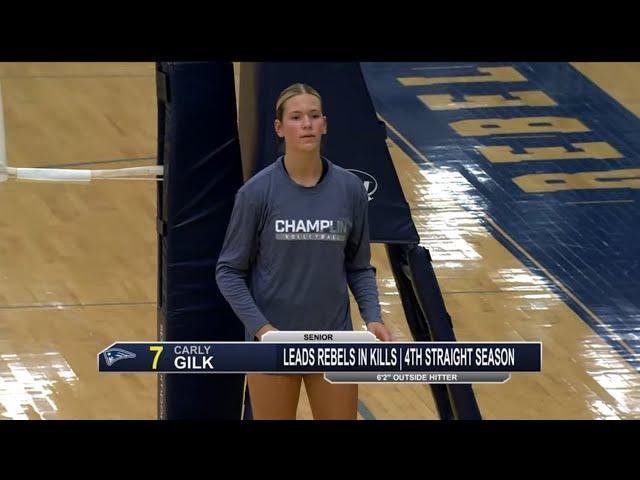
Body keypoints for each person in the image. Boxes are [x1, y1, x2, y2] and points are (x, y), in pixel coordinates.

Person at [216, 82, 391, 420]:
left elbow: (358, 266)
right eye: (296, 117)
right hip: (273, 345)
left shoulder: (350, 189)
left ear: (324, 123)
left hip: (333, 341)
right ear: (280, 128)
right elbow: (229, 271)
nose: (307, 124)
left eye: (313, 116)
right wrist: (263, 331)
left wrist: (373, 317)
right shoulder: (256, 193)